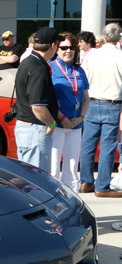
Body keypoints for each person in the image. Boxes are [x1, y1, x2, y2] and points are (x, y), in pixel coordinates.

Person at [78, 23, 122, 197]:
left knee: (88, 144)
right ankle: (102, 186)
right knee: (108, 146)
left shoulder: (92, 55)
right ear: (118, 38)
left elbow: (84, 78)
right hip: (112, 103)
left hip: (92, 101)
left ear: (103, 37)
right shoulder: (120, 56)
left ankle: (86, 182)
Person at [14, 26, 63, 172]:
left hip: (25, 128)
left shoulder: (27, 61)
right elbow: (37, 106)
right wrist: (52, 123)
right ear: (53, 45)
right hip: (35, 130)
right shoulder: (38, 68)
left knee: (27, 178)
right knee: (36, 181)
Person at [49, 32, 90, 193]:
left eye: (72, 47)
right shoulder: (50, 69)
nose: (68, 51)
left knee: (72, 167)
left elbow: (86, 98)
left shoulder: (79, 71)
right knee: (53, 168)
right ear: (56, 49)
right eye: (64, 47)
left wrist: (81, 117)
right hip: (57, 124)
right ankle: (53, 203)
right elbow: (47, 99)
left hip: (76, 124)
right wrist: (63, 118)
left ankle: (73, 201)